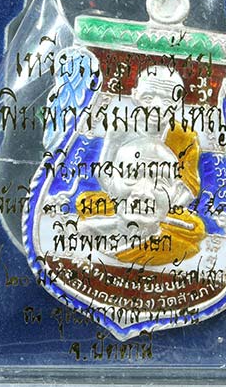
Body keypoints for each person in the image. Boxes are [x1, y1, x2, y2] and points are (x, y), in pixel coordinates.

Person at [76, 66, 206, 266]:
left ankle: (123, 227)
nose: (156, 106)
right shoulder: (120, 128)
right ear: (135, 95)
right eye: (148, 97)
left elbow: (189, 185)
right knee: (85, 203)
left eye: (167, 100)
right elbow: (105, 170)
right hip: (122, 196)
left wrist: (163, 208)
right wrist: (122, 195)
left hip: (163, 202)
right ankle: (120, 223)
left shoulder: (185, 137)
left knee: (196, 228)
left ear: (178, 103)